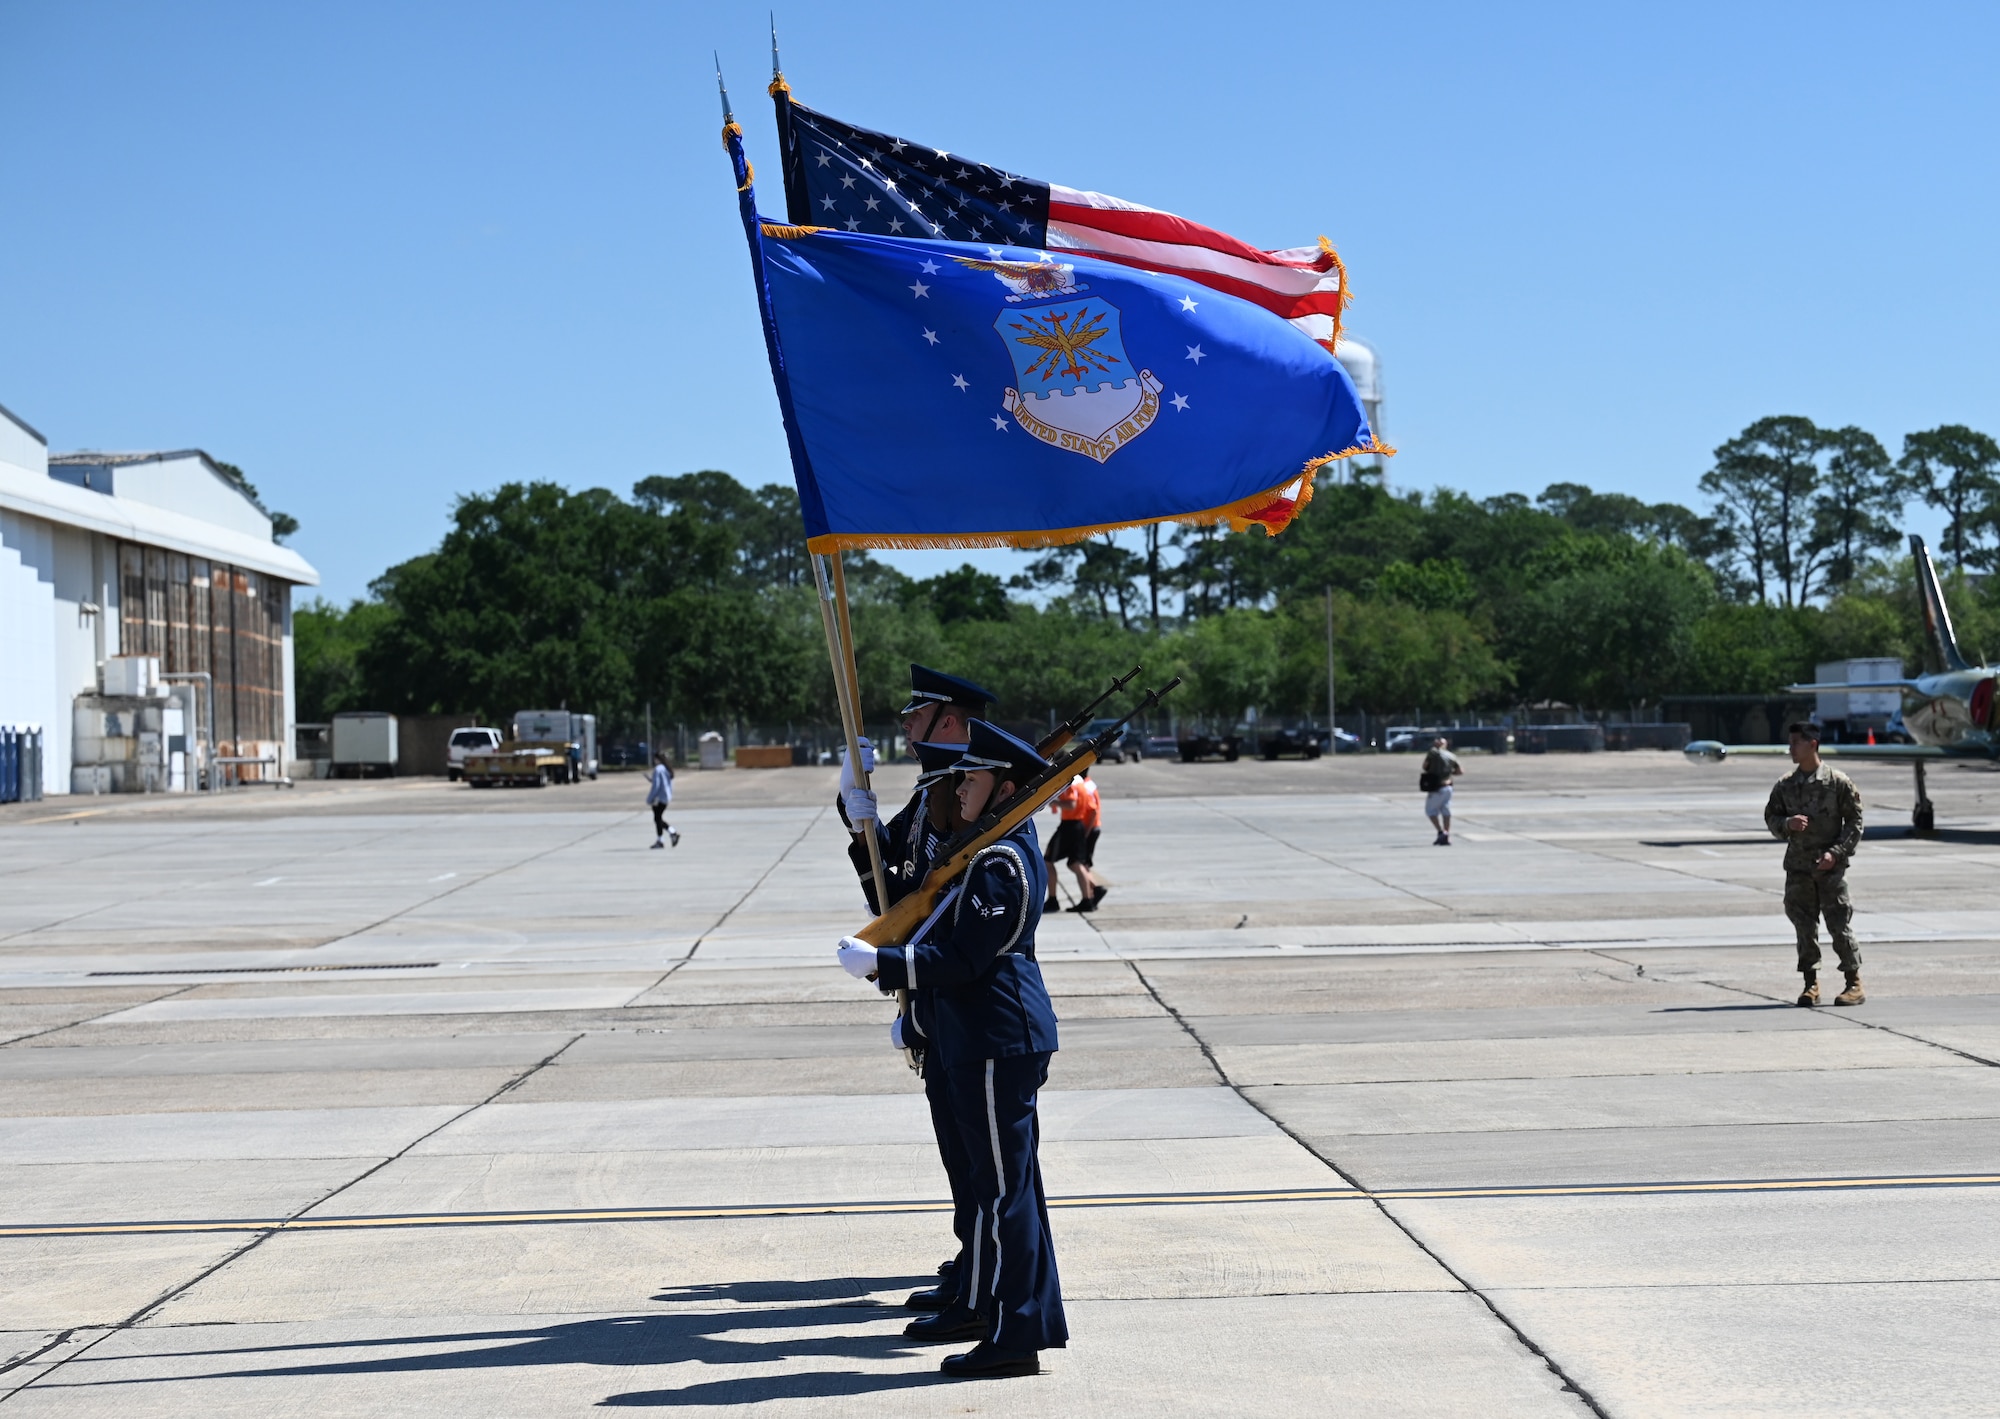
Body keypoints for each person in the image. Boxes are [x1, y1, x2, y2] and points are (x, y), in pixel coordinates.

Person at [837, 720, 1067, 1380]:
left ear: (1007, 787)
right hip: (983, 1035)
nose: (960, 785)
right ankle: (1025, 1320)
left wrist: (887, 964)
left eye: (973, 775)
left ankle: (1011, 1331)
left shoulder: (999, 858)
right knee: (1009, 1190)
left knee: (1002, 1194)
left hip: (997, 1035)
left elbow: (965, 956)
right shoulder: (981, 848)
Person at [1764, 721, 1865, 1007]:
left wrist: (1836, 853)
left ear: (1812, 744)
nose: (1791, 748)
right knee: (1804, 929)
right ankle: (1811, 985)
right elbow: (1771, 818)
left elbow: (1855, 823)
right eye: (1790, 742)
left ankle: (1853, 983)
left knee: (1839, 926)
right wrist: (1787, 823)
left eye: (1796, 742)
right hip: (1799, 868)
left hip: (1829, 869)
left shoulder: (1837, 782)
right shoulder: (1785, 785)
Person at [1044, 767, 1106, 912]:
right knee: (1076, 863)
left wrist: (1056, 803)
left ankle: (1052, 899)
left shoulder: (1071, 783)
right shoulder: (1082, 784)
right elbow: (1091, 808)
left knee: (1048, 860)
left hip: (1069, 825)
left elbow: (1071, 805)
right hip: (1078, 825)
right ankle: (1088, 898)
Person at [1421, 736, 1462, 845]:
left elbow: (1425, 766)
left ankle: (1440, 831)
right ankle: (1446, 834)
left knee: (1430, 811)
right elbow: (1459, 771)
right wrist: (1449, 773)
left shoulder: (1433, 753)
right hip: (1448, 787)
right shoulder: (1452, 756)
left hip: (1436, 787)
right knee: (1446, 810)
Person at [646, 752, 678, 849]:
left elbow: (656, 786)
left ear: (657, 759)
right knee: (658, 818)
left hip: (658, 798)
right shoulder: (666, 769)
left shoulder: (658, 769)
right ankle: (670, 833)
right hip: (666, 797)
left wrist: (650, 798)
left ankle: (662, 839)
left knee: (657, 818)